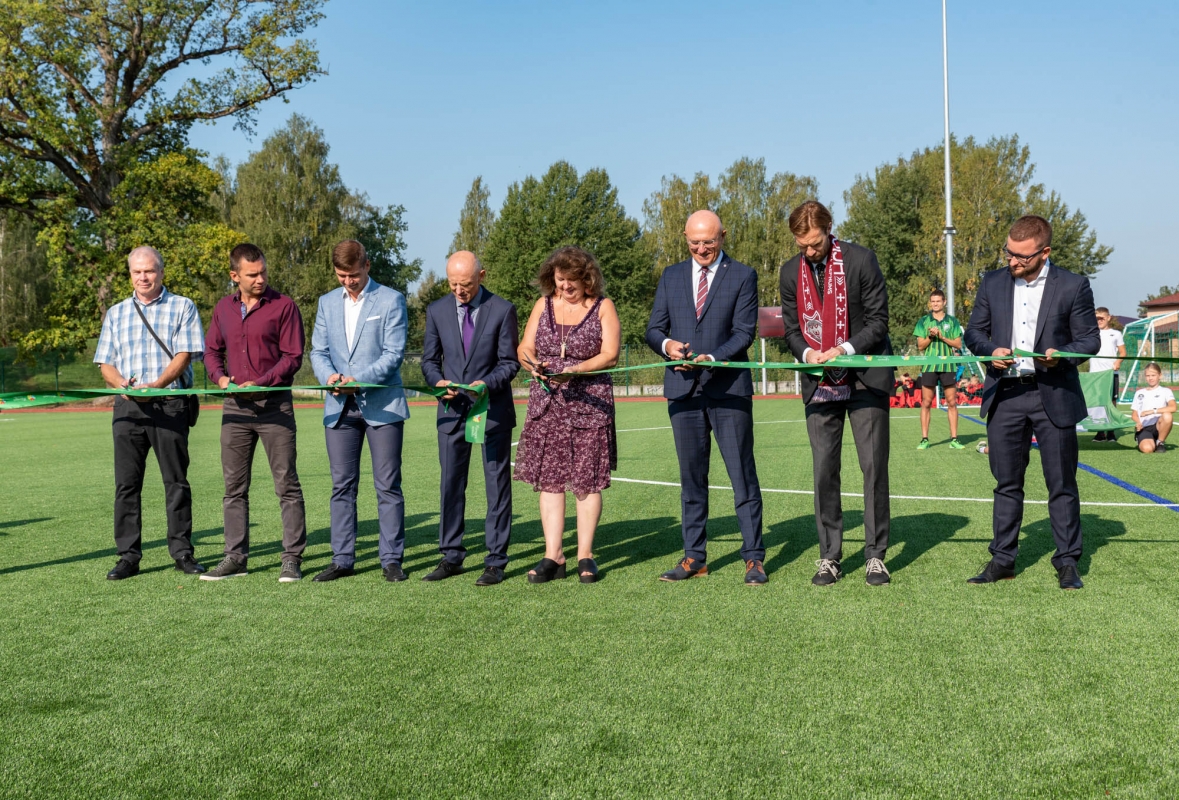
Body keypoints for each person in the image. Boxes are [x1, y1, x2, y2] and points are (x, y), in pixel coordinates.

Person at [963, 215, 1100, 590]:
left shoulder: (1073, 285)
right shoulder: (992, 282)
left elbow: (1089, 341)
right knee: (1006, 483)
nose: (1012, 262)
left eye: (1022, 257)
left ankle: (1068, 562)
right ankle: (1002, 559)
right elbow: (973, 332)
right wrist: (991, 350)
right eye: (1009, 253)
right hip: (1005, 395)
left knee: (1061, 483)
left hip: (1052, 394)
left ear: (1045, 252)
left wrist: (1061, 354)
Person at [646, 210, 767, 585]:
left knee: (741, 476)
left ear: (723, 236)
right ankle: (694, 556)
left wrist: (712, 358)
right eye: (695, 242)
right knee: (691, 480)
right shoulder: (671, 276)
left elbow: (744, 332)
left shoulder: (744, 275)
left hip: (727, 390)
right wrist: (669, 347)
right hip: (683, 392)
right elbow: (654, 329)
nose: (701, 248)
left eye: (709, 242)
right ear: (685, 237)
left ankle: (754, 559)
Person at [780, 200, 894, 586]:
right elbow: (792, 329)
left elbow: (879, 320)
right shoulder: (789, 272)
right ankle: (829, 556)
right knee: (824, 471)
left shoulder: (862, 260)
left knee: (873, 467)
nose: (809, 251)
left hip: (864, 377)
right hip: (818, 381)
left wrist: (844, 349)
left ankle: (876, 555)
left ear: (830, 229)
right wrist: (810, 352)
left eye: (815, 243)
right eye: (802, 245)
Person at [95, 246, 206, 580]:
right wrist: (122, 385)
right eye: (137, 272)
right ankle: (128, 556)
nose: (143, 277)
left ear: (161, 271)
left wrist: (157, 384)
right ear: (130, 274)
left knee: (176, 483)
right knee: (126, 485)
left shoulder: (182, 306)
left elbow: (185, 354)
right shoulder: (116, 313)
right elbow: (105, 363)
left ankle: (182, 552)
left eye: (150, 271)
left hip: (169, 403)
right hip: (127, 407)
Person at [201, 243, 308, 582]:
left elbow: (292, 357)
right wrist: (220, 378)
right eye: (252, 274)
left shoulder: (285, 306)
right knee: (234, 489)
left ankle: (291, 558)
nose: (261, 278)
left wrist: (261, 382)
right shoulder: (223, 309)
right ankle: (235, 558)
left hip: (274, 407)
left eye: (263, 271)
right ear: (235, 276)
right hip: (235, 409)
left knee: (286, 485)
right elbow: (211, 352)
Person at [515, 246, 619, 584]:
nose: (564, 287)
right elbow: (524, 348)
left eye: (572, 281)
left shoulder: (603, 307)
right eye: (560, 280)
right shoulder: (542, 305)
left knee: (585, 480)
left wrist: (575, 370)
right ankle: (553, 555)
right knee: (551, 480)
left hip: (589, 403)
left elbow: (611, 355)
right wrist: (533, 365)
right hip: (548, 404)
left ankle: (585, 555)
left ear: (587, 279)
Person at [309, 240, 410, 583]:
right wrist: (330, 377)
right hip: (339, 408)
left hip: (382, 407)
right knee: (341, 486)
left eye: (353, 274)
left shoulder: (391, 299)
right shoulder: (326, 303)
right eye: (341, 276)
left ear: (367, 265)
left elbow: (393, 354)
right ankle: (342, 559)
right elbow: (318, 352)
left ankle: (392, 559)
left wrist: (358, 380)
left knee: (387, 486)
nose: (348, 281)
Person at [420, 251, 520, 586]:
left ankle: (495, 560)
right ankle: (451, 556)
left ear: (482, 275)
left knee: (496, 486)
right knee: (450, 484)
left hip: (490, 412)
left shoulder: (503, 310)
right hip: (450, 413)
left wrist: (486, 385)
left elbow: (509, 362)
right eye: (452, 284)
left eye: (465, 284)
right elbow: (429, 361)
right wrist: (437, 382)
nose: (459, 291)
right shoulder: (436, 311)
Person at [913, 288, 966, 450]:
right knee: (926, 402)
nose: (935, 304)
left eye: (938, 301)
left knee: (951, 402)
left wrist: (942, 336)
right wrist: (930, 336)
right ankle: (924, 439)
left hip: (948, 366)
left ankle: (954, 439)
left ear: (944, 302)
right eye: (933, 301)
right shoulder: (923, 321)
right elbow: (920, 346)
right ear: (930, 303)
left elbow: (958, 344)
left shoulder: (953, 321)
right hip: (929, 366)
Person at [1091, 307, 1126, 442]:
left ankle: (1111, 432)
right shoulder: (1091, 334)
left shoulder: (1116, 334)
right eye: (1097, 319)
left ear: (1108, 318)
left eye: (1101, 318)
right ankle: (1100, 433)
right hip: (1095, 374)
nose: (1099, 321)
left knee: (1111, 403)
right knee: (1098, 403)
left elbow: (1123, 353)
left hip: (1111, 374)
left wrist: (1118, 362)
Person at [1130, 362, 1175, 454]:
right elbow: (1134, 415)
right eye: (1148, 375)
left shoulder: (1166, 391)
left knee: (1167, 415)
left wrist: (1152, 411)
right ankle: (1148, 441)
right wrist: (1138, 422)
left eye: (1153, 375)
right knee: (1147, 449)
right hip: (1145, 428)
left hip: (1158, 426)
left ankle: (1160, 442)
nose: (1150, 378)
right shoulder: (1139, 393)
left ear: (1160, 375)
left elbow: (1173, 407)